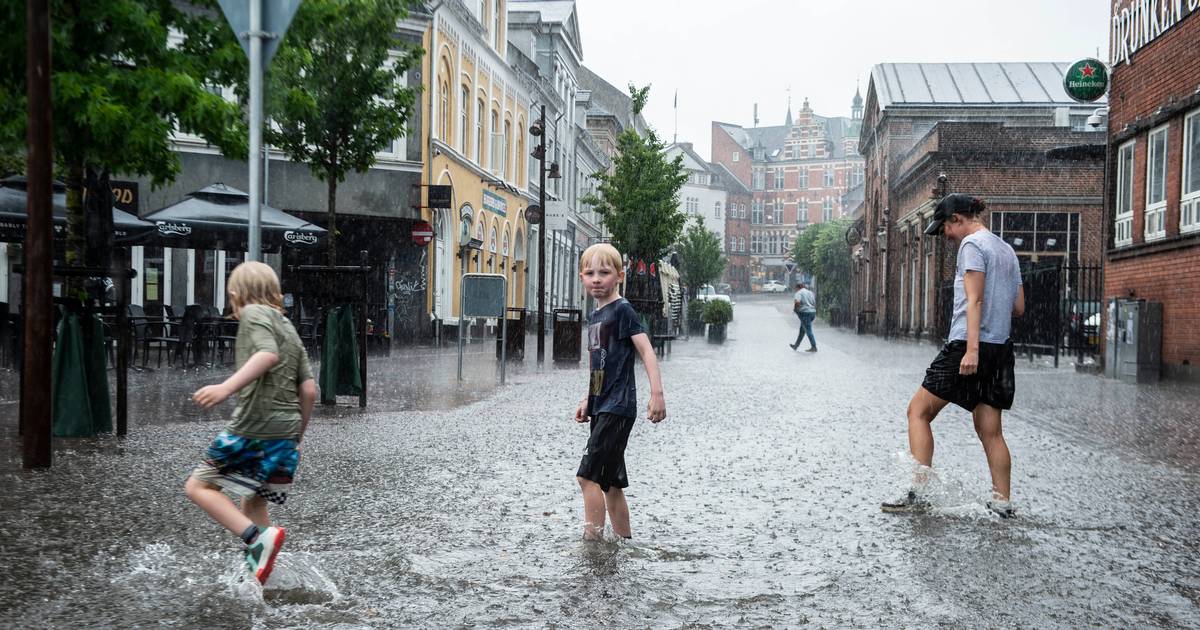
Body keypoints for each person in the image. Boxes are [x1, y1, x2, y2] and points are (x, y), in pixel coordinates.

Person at [881, 194, 1024, 518]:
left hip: (967, 345)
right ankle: (1002, 503)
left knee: (918, 411)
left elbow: (974, 300)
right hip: (1000, 348)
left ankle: (919, 493)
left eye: (945, 227)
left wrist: (972, 350)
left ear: (957, 218)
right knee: (991, 431)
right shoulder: (1006, 250)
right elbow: (1018, 306)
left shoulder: (972, 245)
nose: (945, 235)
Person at [184, 261, 317, 583]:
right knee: (252, 502)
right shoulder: (288, 328)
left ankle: (256, 540)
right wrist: (295, 437)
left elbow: (267, 355)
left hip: (255, 426)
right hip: (286, 432)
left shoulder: (254, 313)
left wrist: (226, 388)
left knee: (198, 487)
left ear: (235, 294)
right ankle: (263, 574)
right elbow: (309, 390)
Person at [574, 243, 667, 540]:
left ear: (620, 276)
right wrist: (588, 398)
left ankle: (592, 545)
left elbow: (646, 350)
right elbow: (599, 365)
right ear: (581, 277)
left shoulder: (623, 310)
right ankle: (624, 542)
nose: (597, 279)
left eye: (604, 272)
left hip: (618, 406)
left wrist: (657, 394)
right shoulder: (595, 316)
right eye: (590, 273)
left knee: (586, 477)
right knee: (610, 483)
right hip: (603, 406)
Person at [790, 282, 817, 352]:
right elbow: (814, 303)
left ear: (797, 288)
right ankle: (796, 346)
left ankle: (814, 346)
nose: (795, 290)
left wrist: (795, 310)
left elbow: (797, 302)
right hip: (812, 312)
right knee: (802, 331)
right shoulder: (810, 292)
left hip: (805, 313)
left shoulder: (799, 293)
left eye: (795, 289)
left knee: (808, 330)